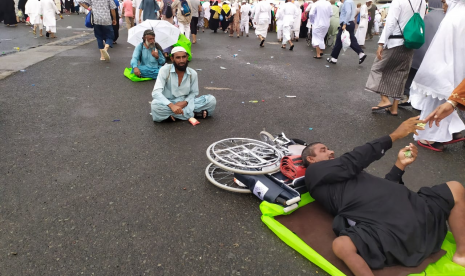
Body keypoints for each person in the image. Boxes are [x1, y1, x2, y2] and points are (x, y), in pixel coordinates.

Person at [303, 116, 465, 275]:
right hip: (390, 230)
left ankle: (462, 255)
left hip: (418, 213)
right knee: (341, 245)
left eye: (328, 148)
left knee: (455, 188)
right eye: (323, 150)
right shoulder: (314, 172)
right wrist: (394, 135)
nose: (331, 151)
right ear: (311, 159)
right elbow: (352, 160)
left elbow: (384, 188)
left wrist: (400, 164)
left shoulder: (345, 174)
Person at [408, 0, 465, 151]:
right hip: (452, 71)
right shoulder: (458, 14)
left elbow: (441, 48)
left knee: (431, 107)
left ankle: (427, 137)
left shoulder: (455, 16)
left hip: (442, 70)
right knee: (443, 104)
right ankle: (453, 132)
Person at [366, 0, 426, 116]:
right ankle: (394, 108)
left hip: (394, 41)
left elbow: (391, 22)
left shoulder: (399, 1)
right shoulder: (422, 2)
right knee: (401, 74)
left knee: (377, 68)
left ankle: (384, 99)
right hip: (410, 43)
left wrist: (381, 43)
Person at [151, 46, 217, 122]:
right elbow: (156, 93)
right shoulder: (165, 70)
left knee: (211, 100)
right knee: (155, 105)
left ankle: (174, 116)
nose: (181, 60)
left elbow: (194, 92)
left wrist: (185, 102)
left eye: (183, 57)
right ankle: (194, 114)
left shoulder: (193, 73)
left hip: (187, 102)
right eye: (178, 58)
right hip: (169, 103)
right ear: (172, 59)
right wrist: (172, 106)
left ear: (187, 57)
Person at [326, 0, 366, 65]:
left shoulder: (347, 2)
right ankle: (334, 58)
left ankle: (360, 53)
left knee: (341, 40)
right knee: (348, 39)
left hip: (347, 23)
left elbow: (348, 12)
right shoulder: (351, 2)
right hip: (350, 23)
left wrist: (344, 23)